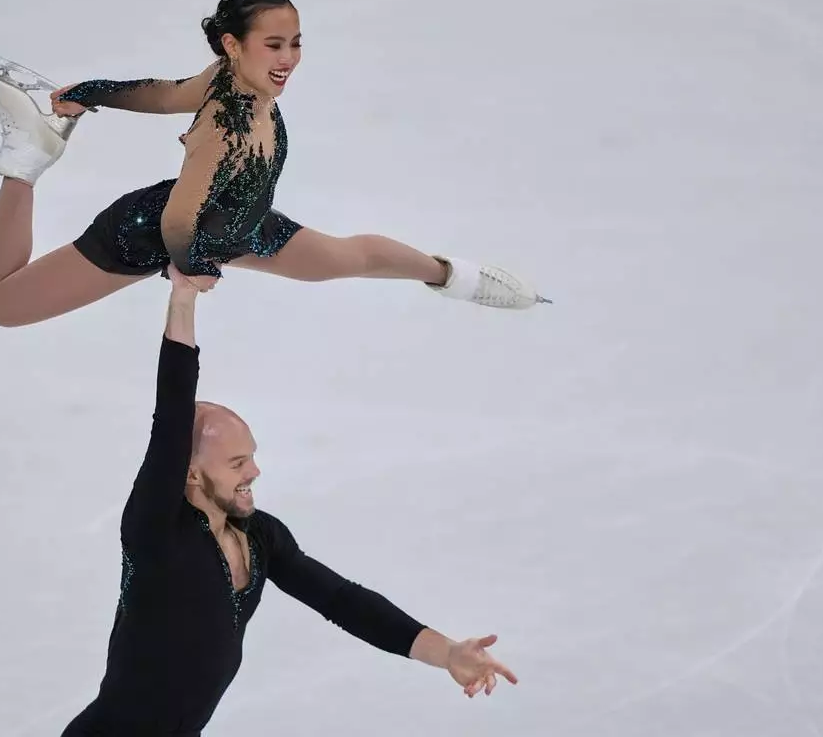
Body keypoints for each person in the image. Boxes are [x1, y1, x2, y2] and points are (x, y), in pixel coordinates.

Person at [60, 265, 518, 736]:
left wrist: (446, 653)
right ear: (191, 473)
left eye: (251, 458)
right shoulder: (155, 532)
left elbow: (342, 600)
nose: (253, 472)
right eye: (237, 463)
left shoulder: (260, 537)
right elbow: (172, 409)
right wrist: (183, 296)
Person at [0, 0, 550, 328]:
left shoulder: (227, 77)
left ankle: (459, 277)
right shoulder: (224, 124)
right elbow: (179, 217)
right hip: (153, 232)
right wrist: (192, 268)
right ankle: (25, 159)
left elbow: (166, 93)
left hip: (239, 225)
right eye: (274, 45)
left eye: (295, 42)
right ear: (234, 45)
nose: (289, 58)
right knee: (3, 303)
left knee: (343, 259)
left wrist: (91, 91)